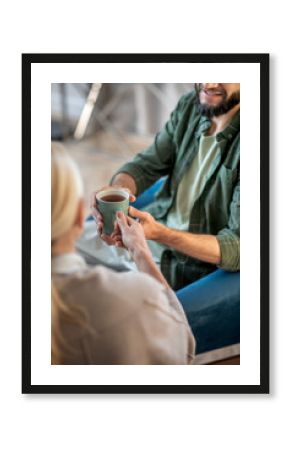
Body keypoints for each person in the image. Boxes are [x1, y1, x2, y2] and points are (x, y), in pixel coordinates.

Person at [78, 83, 240, 292]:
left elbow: (237, 246)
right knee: (57, 250)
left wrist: (161, 234)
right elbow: (146, 165)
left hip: (183, 268)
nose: (208, 84)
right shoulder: (190, 105)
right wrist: (119, 190)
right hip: (146, 234)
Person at [51, 142, 195, 365]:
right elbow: (183, 351)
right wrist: (140, 251)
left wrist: (119, 189)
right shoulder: (139, 298)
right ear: (79, 215)